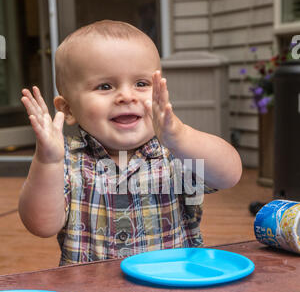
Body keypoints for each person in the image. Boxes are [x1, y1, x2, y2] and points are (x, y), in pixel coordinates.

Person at [18, 20, 242, 266]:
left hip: (172, 291)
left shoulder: (175, 153)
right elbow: (41, 225)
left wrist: (181, 135)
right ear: (68, 108)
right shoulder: (67, 161)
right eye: (105, 86)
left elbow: (229, 175)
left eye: (141, 84)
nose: (127, 96)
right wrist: (47, 161)